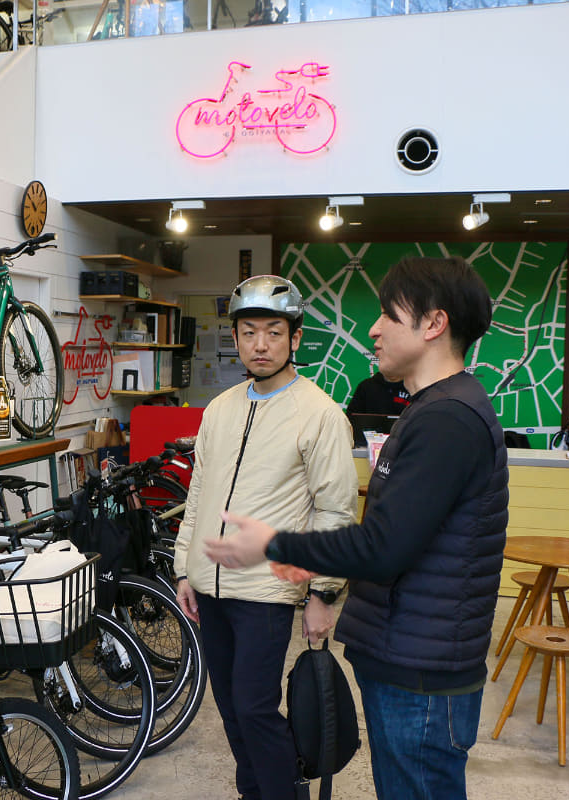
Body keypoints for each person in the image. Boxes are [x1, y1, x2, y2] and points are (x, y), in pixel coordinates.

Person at [205, 255, 509, 800]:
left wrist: (272, 545)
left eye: (389, 314)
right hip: (406, 655)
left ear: (433, 324)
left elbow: (380, 547)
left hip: (421, 669)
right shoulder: (431, 409)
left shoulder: (447, 419)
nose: (372, 329)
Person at [172, 274, 357, 800]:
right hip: (211, 589)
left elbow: (335, 510)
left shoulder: (320, 414)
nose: (260, 344)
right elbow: (200, 490)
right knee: (231, 709)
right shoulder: (220, 408)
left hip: (267, 592)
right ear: (235, 337)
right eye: (249, 332)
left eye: (273, 332)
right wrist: (186, 568)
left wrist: (323, 594)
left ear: (295, 338)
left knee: (255, 708)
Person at [345, 371, 410, 447]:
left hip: (405, 445)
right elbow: (351, 420)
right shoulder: (366, 386)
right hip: (367, 446)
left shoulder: (412, 388)